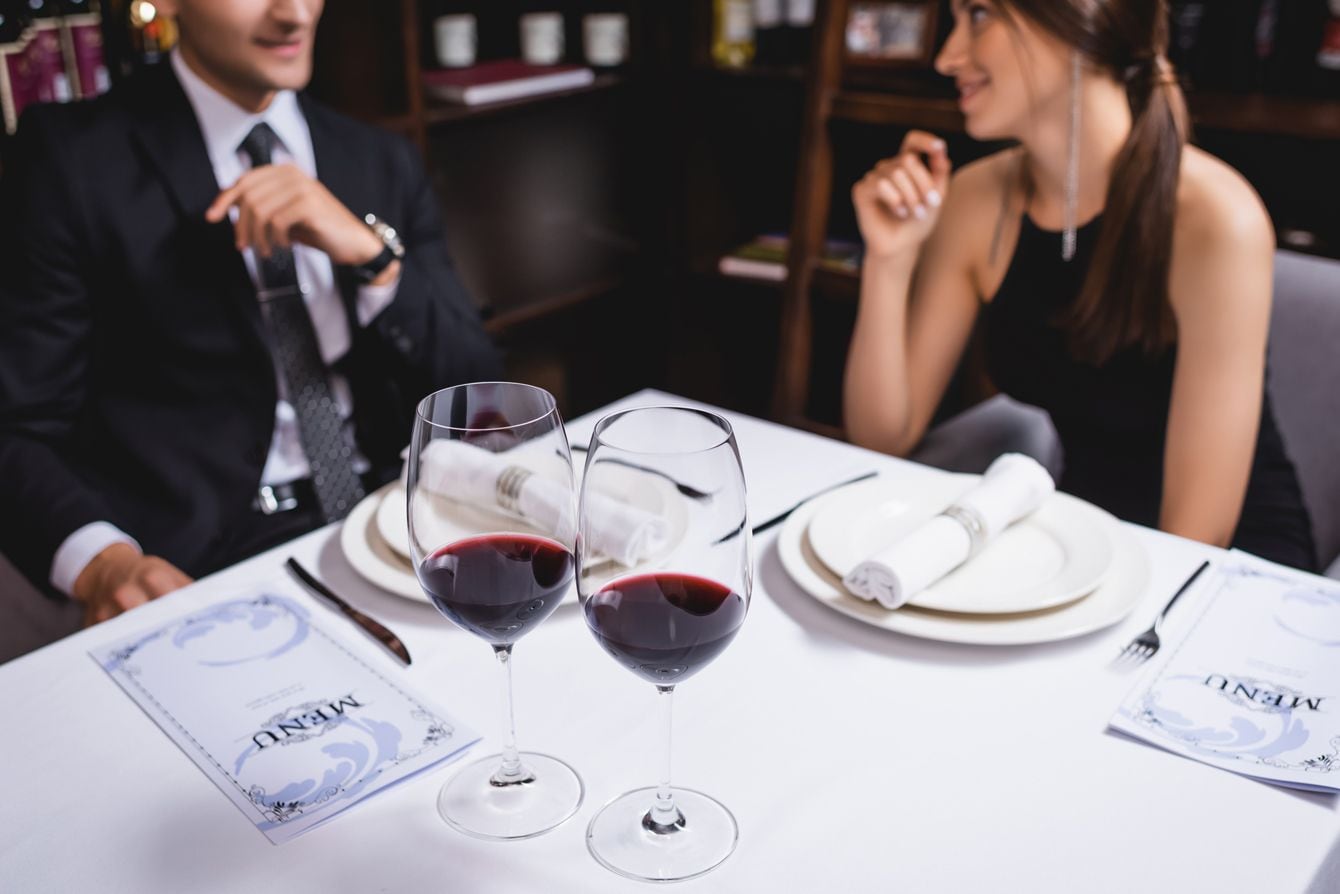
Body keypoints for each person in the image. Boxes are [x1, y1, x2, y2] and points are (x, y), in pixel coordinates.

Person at [0, 0, 503, 627]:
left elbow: (478, 393)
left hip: (388, 522)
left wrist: (374, 258)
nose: (294, 14)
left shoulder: (380, 157)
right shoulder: (70, 159)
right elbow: (17, 426)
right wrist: (104, 563)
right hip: (194, 561)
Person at [845, 0, 1316, 570]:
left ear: (1075, 21)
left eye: (979, 14)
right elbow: (883, 437)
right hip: (1082, 541)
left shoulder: (1217, 219)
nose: (947, 57)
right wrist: (889, 260)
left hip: (1227, 571)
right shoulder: (974, 201)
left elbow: (1197, 537)